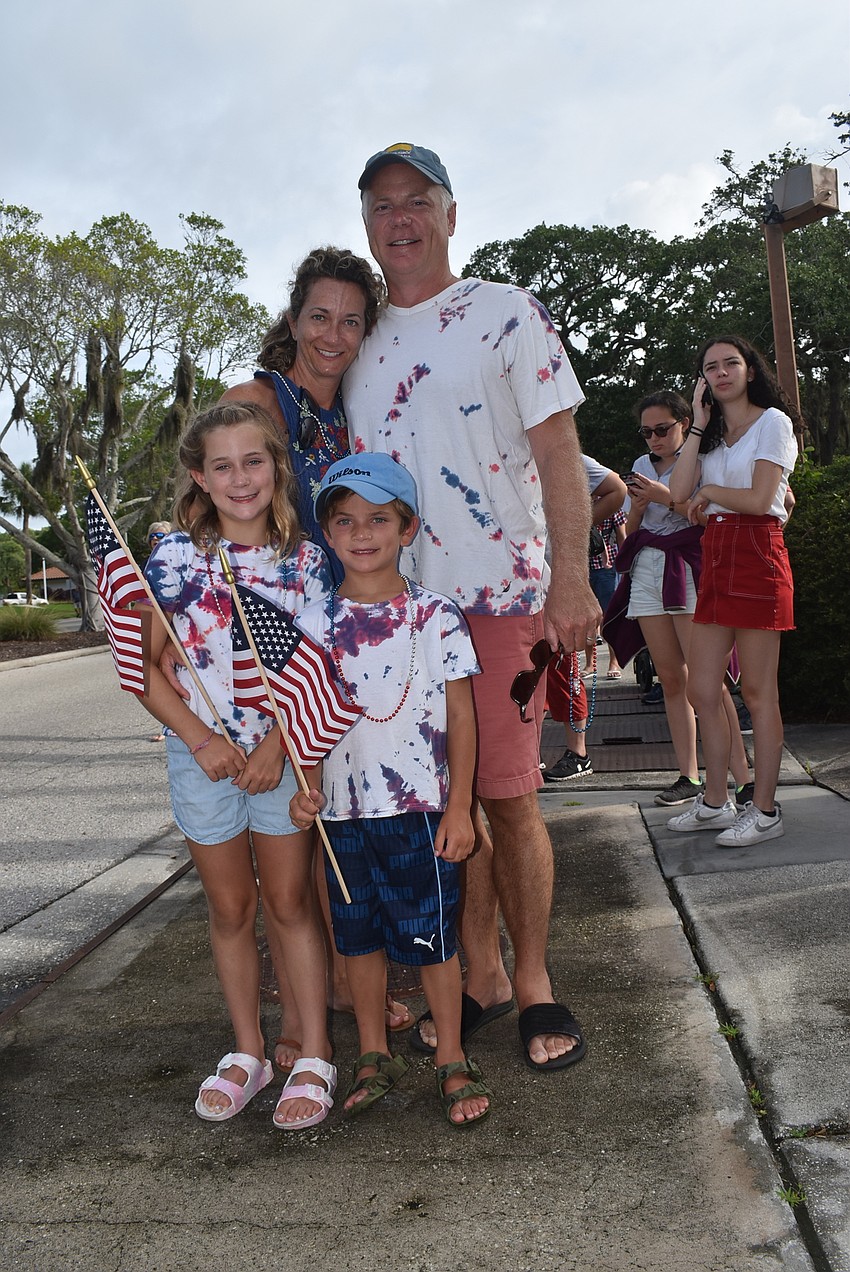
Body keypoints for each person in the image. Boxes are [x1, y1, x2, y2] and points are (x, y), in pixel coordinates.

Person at [344, 142, 599, 1070]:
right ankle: (479, 975)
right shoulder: (360, 340)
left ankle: (534, 983)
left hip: (497, 599)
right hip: (395, 616)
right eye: (380, 204)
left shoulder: (506, 313)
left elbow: (561, 450)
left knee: (512, 799)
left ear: (452, 215)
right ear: (365, 224)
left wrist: (568, 580)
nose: (400, 217)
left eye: (418, 200)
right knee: (448, 809)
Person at [165, 249, 413, 1051]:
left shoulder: (363, 404)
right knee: (272, 871)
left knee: (320, 828)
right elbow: (225, 470)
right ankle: (302, 1017)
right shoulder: (258, 400)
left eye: (351, 319)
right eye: (319, 315)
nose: (334, 333)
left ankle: (328, 1008)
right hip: (241, 659)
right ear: (293, 319)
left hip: (324, 632)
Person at [141, 400, 336, 1129]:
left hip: (279, 757)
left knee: (289, 902)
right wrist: (202, 740)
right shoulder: (172, 561)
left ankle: (314, 1052)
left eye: (253, 460)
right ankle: (250, 1050)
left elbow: (321, 667)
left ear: (276, 467)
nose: (240, 477)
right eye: (221, 465)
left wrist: (273, 750)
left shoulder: (310, 561)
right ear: (199, 476)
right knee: (230, 908)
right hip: (203, 759)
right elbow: (145, 670)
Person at [290, 453, 492, 1125]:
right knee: (358, 940)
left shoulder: (435, 618)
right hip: (343, 817)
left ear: (407, 529)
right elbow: (304, 720)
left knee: (433, 938)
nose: (362, 533)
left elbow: (462, 716)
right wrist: (306, 788)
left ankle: (451, 1054)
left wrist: (460, 805)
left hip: (420, 810)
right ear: (326, 532)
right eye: (344, 520)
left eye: (379, 518)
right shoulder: (314, 622)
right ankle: (374, 1051)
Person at [667, 336, 798, 845]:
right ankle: (716, 802)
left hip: (758, 554)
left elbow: (764, 498)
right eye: (710, 368)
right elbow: (677, 495)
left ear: (749, 369)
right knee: (702, 687)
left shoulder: (773, 423)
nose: (721, 373)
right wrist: (697, 426)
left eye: (731, 364)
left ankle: (764, 811)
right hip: (718, 556)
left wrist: (713, 493)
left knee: (760, 694)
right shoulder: (714, 437)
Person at [611, 391, 751, 807]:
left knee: (708, 683)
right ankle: (689, 776)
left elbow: (711, 517)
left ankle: (741, 780)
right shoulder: (640, 467)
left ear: (685, 423)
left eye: (661, 429)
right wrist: (639, 505)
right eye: (646, 432)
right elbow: (633, 527)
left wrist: (666, 497)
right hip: (649, 568)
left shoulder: (707, 461)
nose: (653, 439)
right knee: (672, 678)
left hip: (690, 566)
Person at [543, 457, 626, 783]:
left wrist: (568, 528)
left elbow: (615, 489)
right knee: (524, 675)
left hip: (554, 582)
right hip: (510, 583)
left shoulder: (559, 451)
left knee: (564, 667)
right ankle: (525, 756)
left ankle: (578, 753)